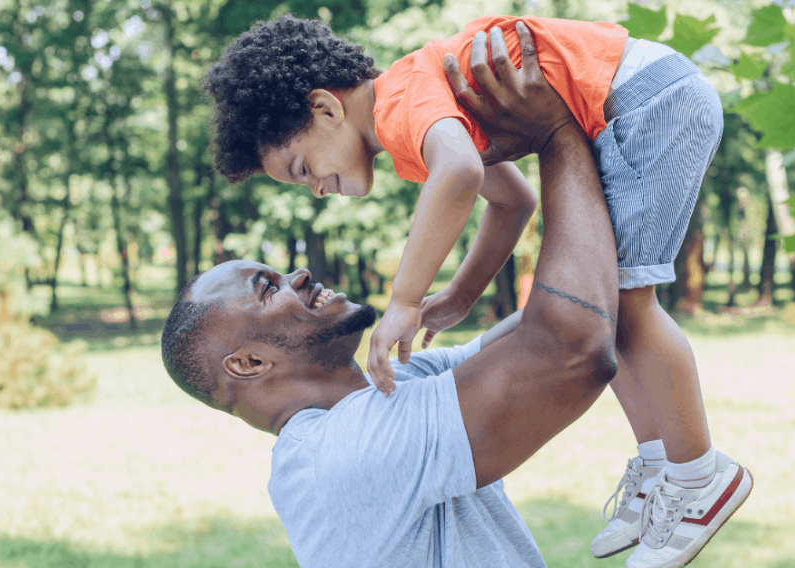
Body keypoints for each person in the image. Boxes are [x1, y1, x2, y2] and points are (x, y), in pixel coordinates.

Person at [201, 17, 752, 568]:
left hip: (645, 100)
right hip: (636, 103)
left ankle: (700, 475)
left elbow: (461, 173)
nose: (318, 189)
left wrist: (406, 300)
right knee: (617, 306)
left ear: (326, 108)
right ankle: (660, 465)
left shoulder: (399, 103)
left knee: (628, 300)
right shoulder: (415, 125)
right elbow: (514, 201)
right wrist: (461, 294)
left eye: (304, 169)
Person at [165, 45, 620, 566]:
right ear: (248, 364)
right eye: (270, 289)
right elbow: (574, 347)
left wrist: (462, 291)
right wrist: (557, 132)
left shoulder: (394, 383)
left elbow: (588, 317)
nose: (301, 275)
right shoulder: (340, 456)